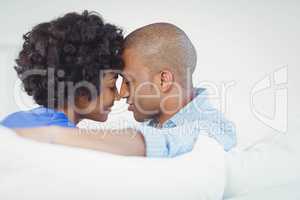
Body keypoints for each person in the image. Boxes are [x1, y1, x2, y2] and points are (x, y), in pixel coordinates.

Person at [14, 23, 237, 157]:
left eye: (128, 82)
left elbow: (171, 143)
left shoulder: (215, 128)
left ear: (163, 80)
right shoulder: (146, 126)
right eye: (116, 83)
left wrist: (55, 137)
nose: (122, 93)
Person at [1, 10, 123, 128]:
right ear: (81, 87)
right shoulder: (70, 142)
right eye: (112, 86)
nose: (118, 96)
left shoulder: (11, 121)